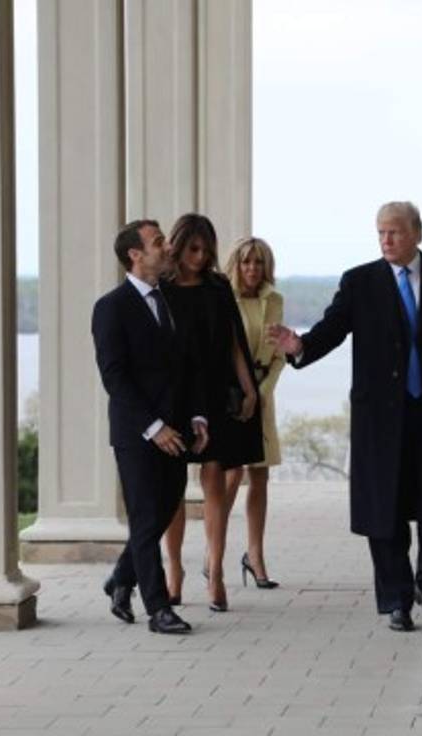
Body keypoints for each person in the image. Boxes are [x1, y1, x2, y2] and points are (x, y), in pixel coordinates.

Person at [269, 201, 422, 632]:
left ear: (417, 233)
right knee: (385, 510)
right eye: (381, 233)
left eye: (395, 232)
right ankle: (396, 601)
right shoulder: (360, 282)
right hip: (380, 419)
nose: (386, 240)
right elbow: (332, 329)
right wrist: (301, 347)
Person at [91, 219, 206, 635]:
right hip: (137, 433)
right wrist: (154, 427)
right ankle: (158, 609)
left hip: (177, 428)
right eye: (158, 242)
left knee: (161, 512)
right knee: (144, 518)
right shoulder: (111, 307)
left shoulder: (169, 299)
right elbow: (114, 377)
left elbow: (185, 367)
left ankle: (121, 579)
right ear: (135, 255)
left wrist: (197, 416)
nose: (167, 247)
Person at [160, 214, 262, 613]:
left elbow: (235, 344)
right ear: (177, 246)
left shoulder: (218, 287)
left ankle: (216, 571)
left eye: (206, 250)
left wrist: (250, 389)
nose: (200, 257)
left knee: (215, 478)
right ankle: (174, 569)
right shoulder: (162, 288)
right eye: (193, 249)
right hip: (175, 393)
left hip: (217, 389)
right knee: (172, 486)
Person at [222, 236, 285, 589]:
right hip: (231, 397)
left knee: (260, 477)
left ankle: (255, 555)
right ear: (236, 264)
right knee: (231, 475)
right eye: (246, 261)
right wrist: (243, 394)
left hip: (262, 396)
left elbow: (279, 356)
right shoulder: (223, 298)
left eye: (259, 262)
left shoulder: (274, 300)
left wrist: (260, 394)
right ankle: (214, 554)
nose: (252, 269)